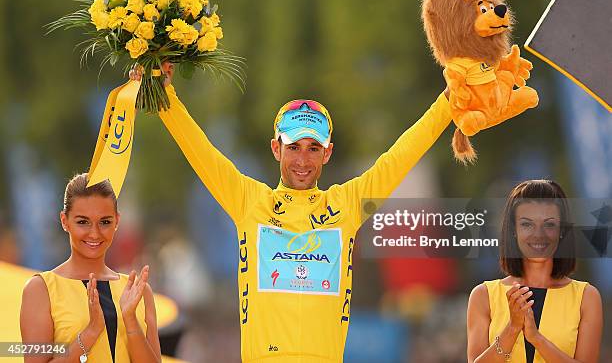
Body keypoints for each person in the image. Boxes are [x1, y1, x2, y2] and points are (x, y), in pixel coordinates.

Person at [132, 63, 454, 362]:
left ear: (327, 153)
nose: (303, 160)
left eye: (313, 148)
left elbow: (401, 156)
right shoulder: (248, 201)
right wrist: (164, 93)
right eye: (293, 147)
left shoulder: (346, 205)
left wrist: (448, 101)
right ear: (277, 148)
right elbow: (199, 150)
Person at [20, 173, 161, 363]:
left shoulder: (139, 291)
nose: (94, 233)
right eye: (82, 222)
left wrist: (130, 321)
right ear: (64, 221)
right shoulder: (41, 289)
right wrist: (91, 332)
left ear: (117, 221)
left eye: (105, 222)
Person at [467, 180, 603, 363]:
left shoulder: (586, 297)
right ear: (513, 230)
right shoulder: (483, 295)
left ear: (562, 230)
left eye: (549, 224)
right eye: (526, 224)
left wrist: (536, 338)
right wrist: (513, 328)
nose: (538, 234)